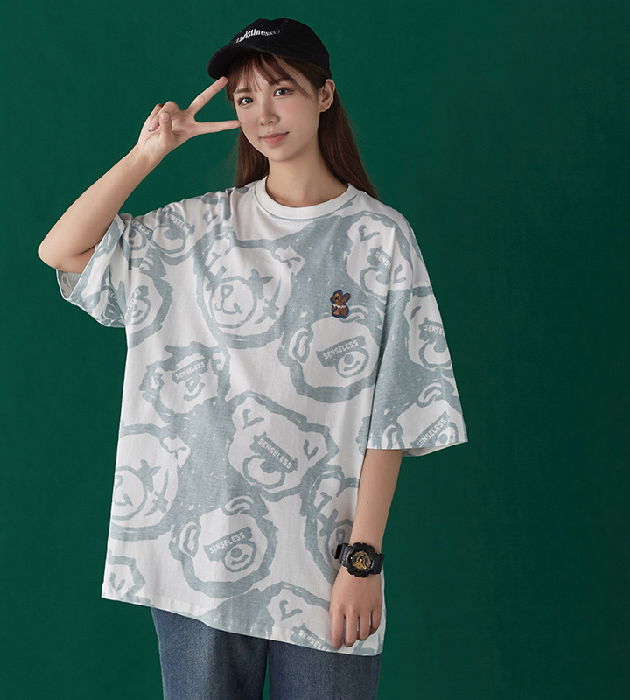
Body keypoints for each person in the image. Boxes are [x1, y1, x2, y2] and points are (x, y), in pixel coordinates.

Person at [38, 17, 467, 700]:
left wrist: (364, 558)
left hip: (326, 567)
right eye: (245, 98)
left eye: (282, 90)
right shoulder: (195, 228)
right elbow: (62, 251)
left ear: (324, 95)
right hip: (197, 565)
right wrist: (149, 153)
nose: (263, 114)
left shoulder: (380, 239)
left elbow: (396, 411)